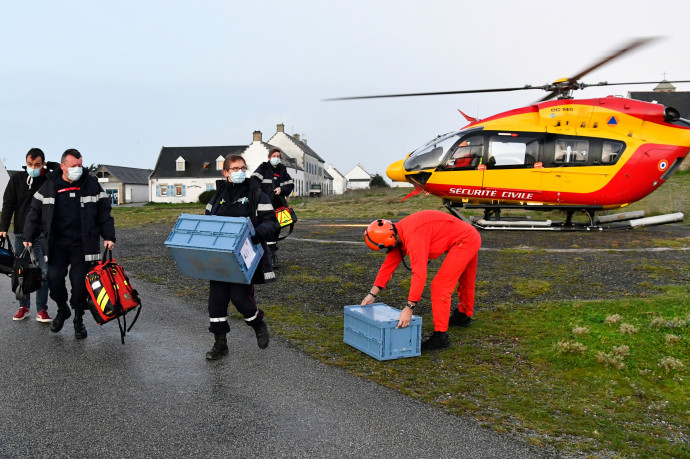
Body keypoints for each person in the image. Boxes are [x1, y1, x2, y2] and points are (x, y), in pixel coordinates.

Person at [23, 149, 115, 340]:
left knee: (80, 284)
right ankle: (63, 309)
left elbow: (104, 213)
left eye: (80, 165)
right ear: (63, 166)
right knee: (54, 279)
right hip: (57, 245)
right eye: (73, 166)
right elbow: (35, 213)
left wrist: (109, 237)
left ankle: (78, 319)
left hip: (83, 245)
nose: (78, 169)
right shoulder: (49, 185)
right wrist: (28, 236)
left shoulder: (91, 184)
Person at [361, 210, 481, 351]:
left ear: (388, 240)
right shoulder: (397, 232)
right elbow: (388, 266)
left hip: (465, 239)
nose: (388, 250)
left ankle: (440, 337)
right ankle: (463, 316)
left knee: (440, 286)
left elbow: (419, 274)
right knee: (466, 280)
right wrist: (372, 294)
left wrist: (409, 308)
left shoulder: (413, 237)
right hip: (467, 234)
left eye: (386, 248)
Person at [204, 154, 279, 360]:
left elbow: (272, 223)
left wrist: (255, 234)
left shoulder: (256, 194)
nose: (240, 172)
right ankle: (220, 344)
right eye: (235, 169)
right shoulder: (217, 196)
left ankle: (258, 323)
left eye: (243, 168)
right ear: (226, 173)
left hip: (245, 256)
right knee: (216, 303)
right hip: (220, 257)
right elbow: (208, 222)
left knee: (240, 298)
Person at [0, 148, 57, 322]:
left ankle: (42, 310)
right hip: (20, 235)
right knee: (21, 271)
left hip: (42, 236)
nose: (33, 167)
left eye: (37, 165)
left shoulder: (49, 180)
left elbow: (62, 173)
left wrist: (51, 168)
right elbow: (8, 204)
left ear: (44, 165)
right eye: (30, 164)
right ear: (25, 163)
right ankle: (24, 307)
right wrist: (3, 227)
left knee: (44, 272)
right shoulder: (17, 179)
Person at [250, 147, 294, 268]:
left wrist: (282, 189)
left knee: (275, 230)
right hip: (263, 207)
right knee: (264, 230)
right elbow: (253, 182)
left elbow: (290, 185)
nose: (276, 158)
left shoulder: (282, 170)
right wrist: (260, 195)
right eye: (273, 156)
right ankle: (264, 257)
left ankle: (272, 255)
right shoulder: (263, 168)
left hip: (278, 207)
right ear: (269, 158)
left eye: (278, 157)